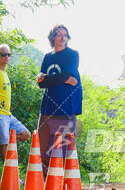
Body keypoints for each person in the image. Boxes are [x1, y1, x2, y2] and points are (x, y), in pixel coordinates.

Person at [36, 25, 82, 179]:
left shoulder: (73, 55)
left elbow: (66, 75)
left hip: (66, 107)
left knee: (63, 150)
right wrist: (60, 78)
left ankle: (62, 185)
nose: (63, 38)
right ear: (52, 38)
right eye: (59, 35)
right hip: (48, 106)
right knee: (43, 149)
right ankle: (44, 184)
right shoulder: (48, 57)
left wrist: (47, 78)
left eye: (65, 35)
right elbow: (41, 83)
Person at [0, 43, 30, 161]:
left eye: (8, 54)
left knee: (26, 134)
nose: (6, 57)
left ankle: (4, 139)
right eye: (3, 54)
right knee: (5, 143)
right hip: (1, 115)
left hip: (8, 114)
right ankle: (8, 175)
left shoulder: (5, 73)